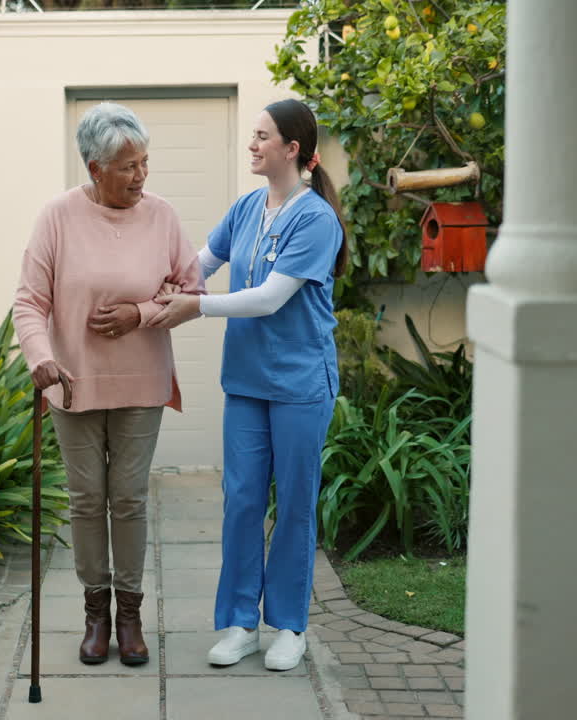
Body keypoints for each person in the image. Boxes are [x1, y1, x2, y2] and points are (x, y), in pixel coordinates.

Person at [150, 98, 346, 672]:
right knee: (240, 501)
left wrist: (195, 307)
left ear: (293, 149)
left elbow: (268, 298)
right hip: (247, 383)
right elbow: (199, 263)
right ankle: (239, 623)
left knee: (294, 507)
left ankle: (288, 625)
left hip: (300, 383)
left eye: (263, 137)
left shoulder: (316, 219)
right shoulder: (245, 208)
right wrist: (158, 285)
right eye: (251, 135)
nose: (253, 145)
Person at [12, 102, 204, 666]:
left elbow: (192, 293)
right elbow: (29, 301)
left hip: (142, 384)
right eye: (128, 166)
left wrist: (140, 314)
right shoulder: (57, 217)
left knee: (128, 498)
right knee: (86, 500)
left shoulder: (162, 216)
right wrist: (41, 358)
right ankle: (95, 612)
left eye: (145, 162)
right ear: (95, 168)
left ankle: (130, 616)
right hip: (73, 384)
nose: (142, 175)